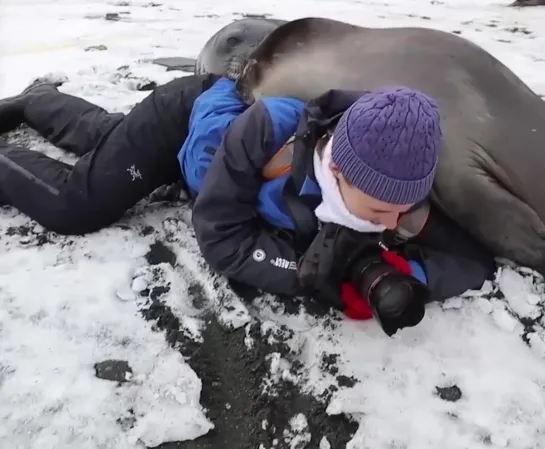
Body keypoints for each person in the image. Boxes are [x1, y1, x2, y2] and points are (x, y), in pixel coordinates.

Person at [0, 72, 496, 335]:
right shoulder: (269, 131)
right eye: (375, 213)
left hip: (219, 169)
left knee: (104, 138)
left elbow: (474, 260)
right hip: (184, 125)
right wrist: (304, 272)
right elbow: (223, 238)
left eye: (401, 212)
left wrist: (405, 278)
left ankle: (38, 98)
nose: (390, 224)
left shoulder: (391, 186)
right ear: (337, 171)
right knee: (77, 203)